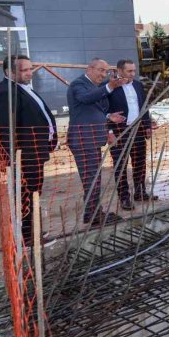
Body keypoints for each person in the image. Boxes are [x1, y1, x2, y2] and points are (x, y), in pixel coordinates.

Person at [0, 55, 58, 245]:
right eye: (25, 70)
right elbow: (6, 129)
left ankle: (33, 231)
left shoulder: (20, 88)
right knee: (27, 196)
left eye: (30, 68)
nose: (30, 73)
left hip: (34, 153)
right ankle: (28, 238)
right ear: (9, 72)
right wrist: (12, 159)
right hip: (24, 157)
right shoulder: (6, 92)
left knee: (34, 193)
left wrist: (49, 138)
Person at [66, 58, 126, 225]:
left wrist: (108, 117)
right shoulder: (78, 85)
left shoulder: (94, 87)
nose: (103, 74)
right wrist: (110, 86)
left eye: (105, 71)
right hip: (84, 139)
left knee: (93, 177)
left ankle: (92, 213)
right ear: (89, 69)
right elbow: (86, 99)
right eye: (100, 70)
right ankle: (93, 215)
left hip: (92, 138)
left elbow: (93, 109)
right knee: (91, 178)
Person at [107, 59, 158, 210]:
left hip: (138, 130)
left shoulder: (137, 85)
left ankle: (140, 192)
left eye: (134, 71)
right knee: (121, 166)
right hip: (119, 133)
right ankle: (124, 197)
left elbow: (144, 106)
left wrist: (147, 125)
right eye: (129, 71)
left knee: (139, 163)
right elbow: (104, 111)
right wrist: (109, 131)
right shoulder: (110, 88)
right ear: (119, 71)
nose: (133, 74)